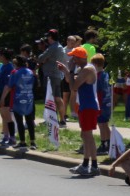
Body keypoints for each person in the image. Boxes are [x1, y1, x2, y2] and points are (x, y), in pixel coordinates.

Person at [64, 46, 100, 176]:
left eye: (74, 57)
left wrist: (70, 70)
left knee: (87, 135)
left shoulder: (87, 69)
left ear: (79, 58)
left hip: (89, 106)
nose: (72, 59)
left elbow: (73, 87)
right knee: (85, 135)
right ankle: (88, 164)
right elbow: (70, 82)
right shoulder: (82, 69)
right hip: (85, 105)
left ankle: (91, 165)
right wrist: (67, 71)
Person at [4, 55, 36, 149]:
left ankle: (22, 142)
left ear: (16, 63)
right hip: (29, 98)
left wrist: (3, 98)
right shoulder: (30, 72)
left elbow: (10, 86)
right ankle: (33, 142)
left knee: (19, 121)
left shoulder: (15, 72)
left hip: (18, 99)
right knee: (30, 121)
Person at [38, 29, 68, 124]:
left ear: (50, 37)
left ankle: (51, 119)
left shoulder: (53, 47)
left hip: (50, 75)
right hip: (57, 75)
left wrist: (44, 59)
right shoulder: (60, 47)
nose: (47, 38)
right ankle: (62, 119)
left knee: (51, 97)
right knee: (57, 97)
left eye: (48, 36)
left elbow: (40, 58)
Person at [0, 48, 15, 146]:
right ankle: (5, 136)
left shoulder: (9, 67)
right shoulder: (2, 66)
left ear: (3, 56)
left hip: (5, 94)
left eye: (0, 55)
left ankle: (12, 137)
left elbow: (8, 85)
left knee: (7, 116)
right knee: (3, 116)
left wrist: (3, 97)